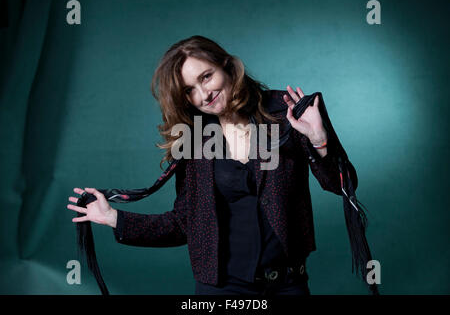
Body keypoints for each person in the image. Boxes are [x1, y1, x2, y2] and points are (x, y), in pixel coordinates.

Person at [67, 35, 358, 295]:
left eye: (206, 77)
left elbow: (342, 185)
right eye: (189, 90)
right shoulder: (195, 141)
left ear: (228, 67)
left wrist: (319, 140)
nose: (203, 95)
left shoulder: (287, 111)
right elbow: (185, 223)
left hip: (287, 284)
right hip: (220, 289)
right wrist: (115, 218)